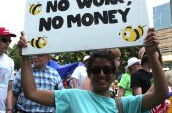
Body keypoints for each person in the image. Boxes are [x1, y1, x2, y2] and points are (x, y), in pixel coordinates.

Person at [18, 28, 168, 113]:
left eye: (107, 70)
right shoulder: (72, 96)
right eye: (96, 70)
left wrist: (152, 55)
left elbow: (161, 94)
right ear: (89, 73)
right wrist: (25, 56)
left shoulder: (125, 105)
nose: (102, 74)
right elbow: (32, 93)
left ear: (113, 73)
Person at [0, 27, 16, 113]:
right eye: (4, 40)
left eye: (9, 41)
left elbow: (9, 88)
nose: (7, 43)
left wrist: (9, 109)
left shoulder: (10, 62)